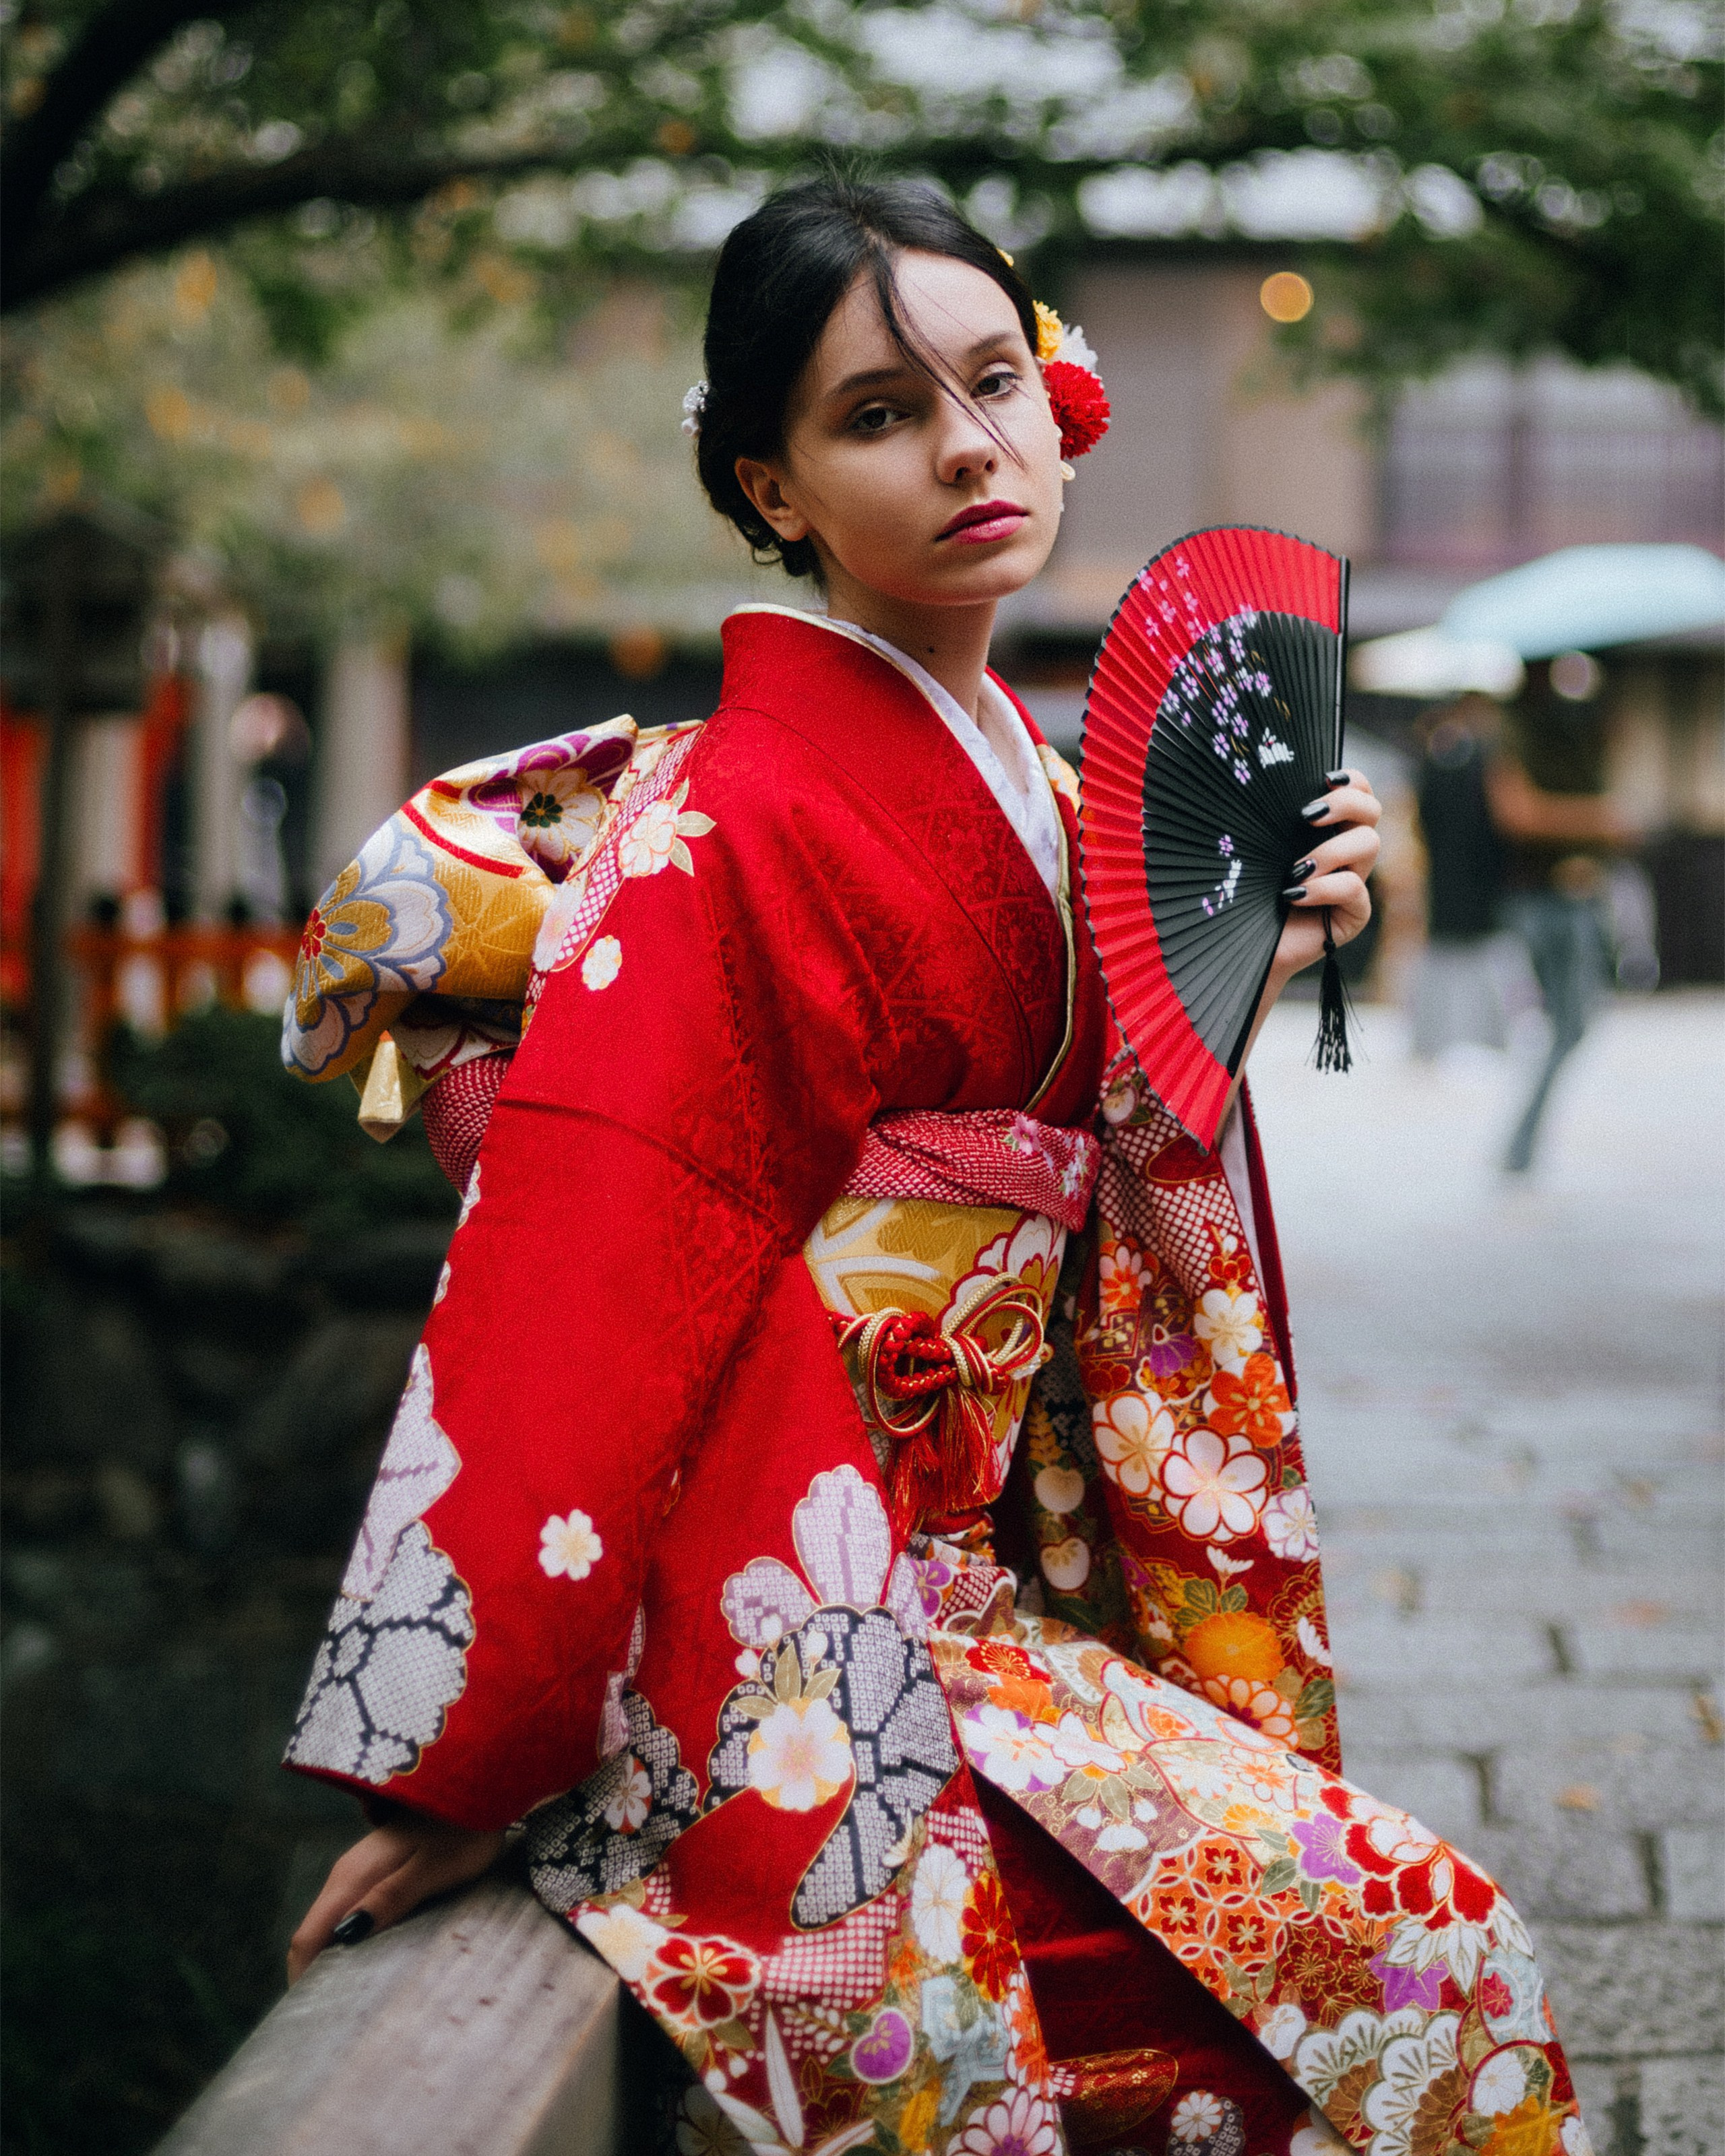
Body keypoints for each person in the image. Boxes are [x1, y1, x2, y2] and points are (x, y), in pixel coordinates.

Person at [278, 180, 1587, 2153]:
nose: (972, 445)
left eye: (994, 383)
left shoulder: (1050, 796)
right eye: (881, 413)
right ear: (772, 485)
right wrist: (454, 1770)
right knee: (1394, 1971)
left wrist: (1245, 973)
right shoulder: (721, 833)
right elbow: (588, 1268)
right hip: (770, 1617)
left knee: (1409, 1966)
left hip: (959, 1576)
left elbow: (1096, 1151)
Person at [1486, 683, 1633, 1174]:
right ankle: (1520, 1145)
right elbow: (1520, 814)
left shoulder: (1566, 739)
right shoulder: (1517, 738)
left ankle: (1522, 1144)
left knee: (1568, 1025)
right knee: (1567, 1024)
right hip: (1541, 902)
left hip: (1568, 898)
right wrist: (1599, 820)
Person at [1409, 694, 1513, 1060]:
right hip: (1465, 876)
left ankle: (1480, 1038)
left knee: (1471, 960)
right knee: (1458, 959)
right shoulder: (1468, 761)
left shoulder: (1461, 760)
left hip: (1463, 877)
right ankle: (1445, 1041)